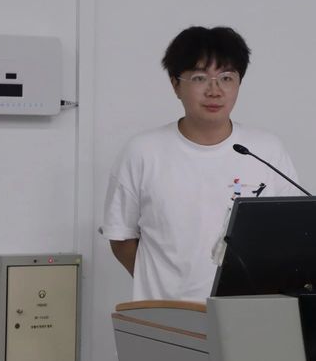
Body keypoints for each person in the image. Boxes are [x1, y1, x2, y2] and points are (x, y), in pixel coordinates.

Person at [100, 26, 300, 301]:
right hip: (169, 314)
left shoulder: (267, 150)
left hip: (247, 310)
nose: (214, 91)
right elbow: (121, 238)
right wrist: (158, 285)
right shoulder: (143, 151)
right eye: (199, 78)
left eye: (226, 78)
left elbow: (291, 230)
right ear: (175, 85)